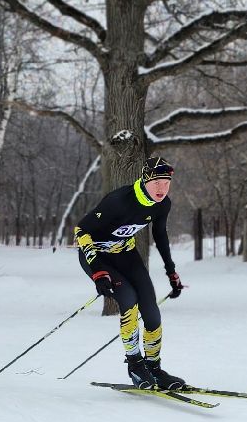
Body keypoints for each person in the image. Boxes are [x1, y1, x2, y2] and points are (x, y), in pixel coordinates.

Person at [74, 156, 188, 389]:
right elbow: (81, 229)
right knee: (129, 300)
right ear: (145, 179)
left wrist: (172, 273)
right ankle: (135, 366)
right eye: (157, 182)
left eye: (166, 183)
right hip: (96, 255)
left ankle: (154, 369)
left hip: (125, 254)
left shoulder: (162, 204)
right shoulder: (119, 200)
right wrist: (97, 271)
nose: (162, 189)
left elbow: (161, 236)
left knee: (151, 311)